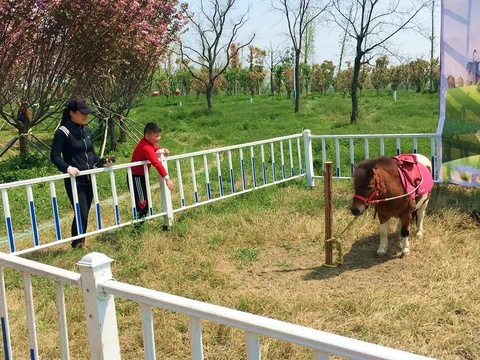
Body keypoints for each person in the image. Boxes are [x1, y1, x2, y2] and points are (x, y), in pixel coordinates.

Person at [50, 98, 113, 249]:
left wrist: (101, 161)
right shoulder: (62, 132)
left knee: (85, 212)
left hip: (89, 177)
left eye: (87, 113)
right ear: (72, 113)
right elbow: (55, 156)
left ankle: (81, 241)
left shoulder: (86, 129)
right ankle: (76, 243)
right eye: (82, 113)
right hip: (75, 180)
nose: (86, 116)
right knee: (81, 212)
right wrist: (67, 168)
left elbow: (90, 153)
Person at [129, 122, 174, 220]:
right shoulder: (146, 147)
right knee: (142, 204)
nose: (158, 138)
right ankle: (138, 227)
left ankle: (139, 224)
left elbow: (154, 148)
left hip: (141, 176)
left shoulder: (147, 143)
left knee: (143, 202)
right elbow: (156, 163)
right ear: (147, 136)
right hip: (136, 177)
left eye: (159, 135)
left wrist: (162, 149)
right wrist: (167, 179)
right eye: (156, 136)